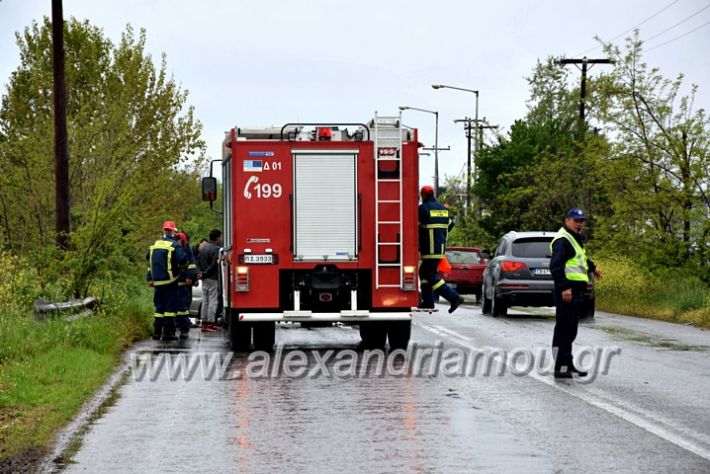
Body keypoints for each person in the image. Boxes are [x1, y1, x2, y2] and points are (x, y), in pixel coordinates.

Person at [550, 208, 602, 379]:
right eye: (576, 220)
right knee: (564, 328)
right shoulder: (562, 240)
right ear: (567, 220)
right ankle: (560, 366)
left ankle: (568, 363)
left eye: (581, 221)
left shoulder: (574, 238)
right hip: (567, 290)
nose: (579, 224)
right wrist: (564, 288)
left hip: (575, 289)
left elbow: (581, 258)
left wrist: (593, 268)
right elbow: (556, 266)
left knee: (571, 328)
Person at [418, 185, 464, 313]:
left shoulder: (423, 209)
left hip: (429, 250)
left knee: (432, 277)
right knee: (424, 274)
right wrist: (441, 234)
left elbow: (414, 225)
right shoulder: (443, 209)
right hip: (440, 249)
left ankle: (454, 297)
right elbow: (450, 224)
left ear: (424, 195)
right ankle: (428, 302)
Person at [147, 221, 188, 341]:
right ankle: (168, 333)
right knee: (169, 309)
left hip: (157, 282)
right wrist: (181, 268)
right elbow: (183, 260)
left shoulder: (154, 244)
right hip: (170, 281)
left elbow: (149, 261)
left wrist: (150, 277)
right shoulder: (174, 245)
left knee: (159, 309)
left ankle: (156, 333)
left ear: (163, 230)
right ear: (173, 231)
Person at [198, 229, 222, 332]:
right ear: (217, 238)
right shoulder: (216, 249)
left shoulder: (204, 248)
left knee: (205, 301)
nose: (221, 238)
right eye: (220, 237)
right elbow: (214, 265)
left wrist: (201, 273)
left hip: (204, 278)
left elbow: (198, 261)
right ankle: (211, 323)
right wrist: (206, 272)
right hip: (212, 278)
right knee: (213, 301)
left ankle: (203, 323)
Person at [175, 231, 197, 339]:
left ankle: (179, 327)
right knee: (180, 306)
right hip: (177, 281)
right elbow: (191, 263)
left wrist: (190, 276)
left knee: (181, 305)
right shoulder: (178, 246)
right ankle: (181, 327)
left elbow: (191, 264)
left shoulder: (184, 247)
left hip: (179, 281)